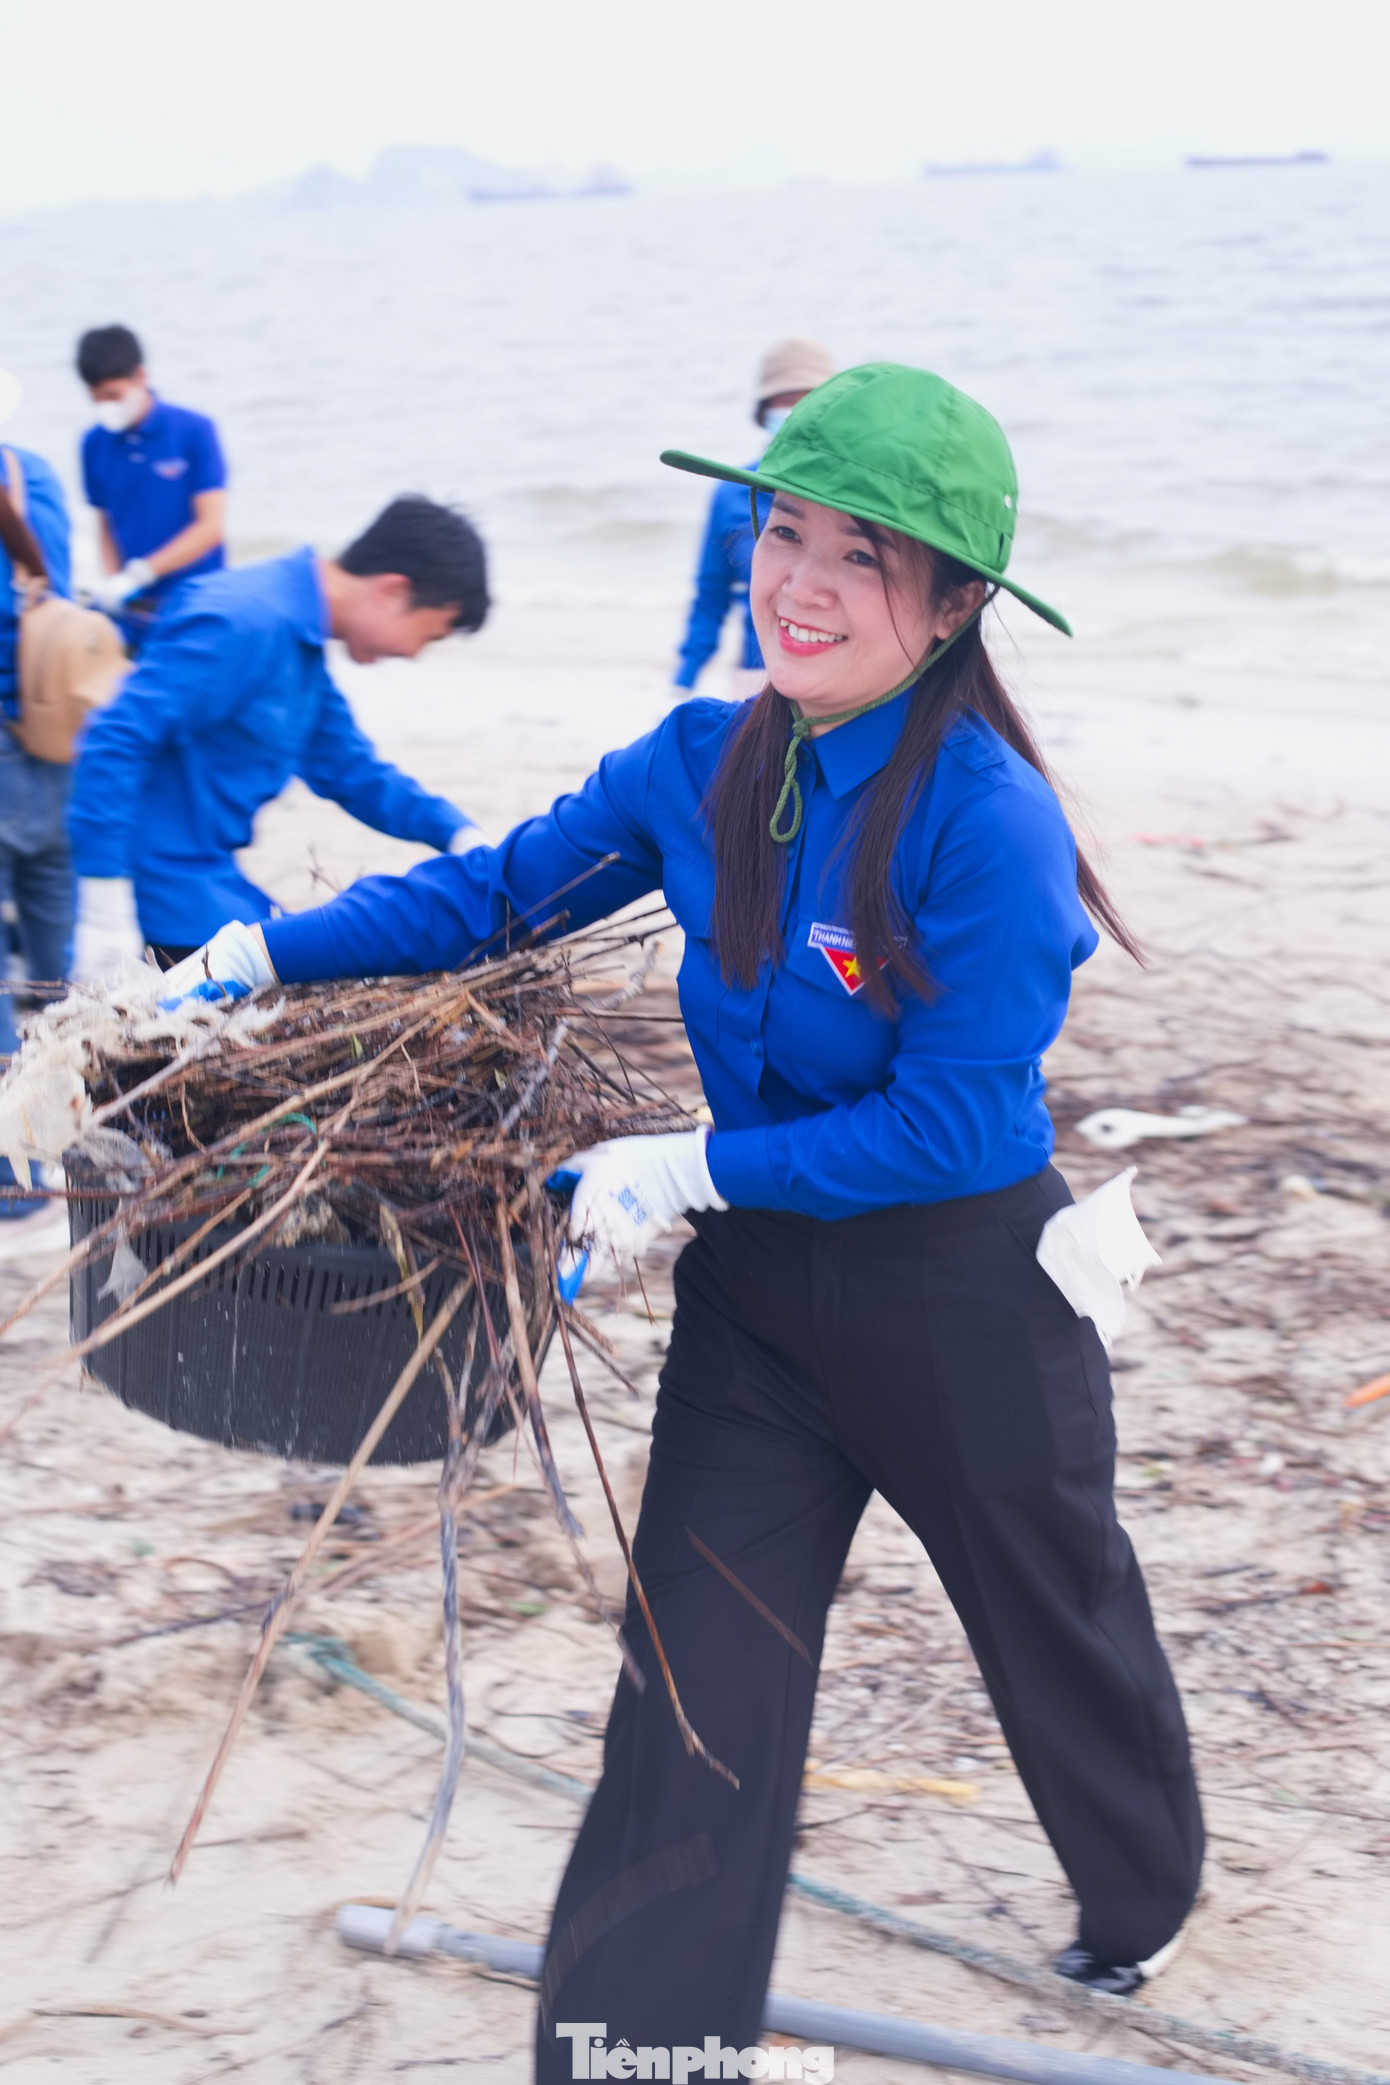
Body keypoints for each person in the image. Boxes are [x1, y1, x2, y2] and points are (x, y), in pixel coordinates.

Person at [161, 365, 1205, 2073]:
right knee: (694, 1694)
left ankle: (1140, 1900)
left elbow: (954, 1120)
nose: (795, 580)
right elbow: (494, 893)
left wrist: (691, 1166)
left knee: (1058, 1621)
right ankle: (637, 2050)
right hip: (761, 1325)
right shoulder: (700, 759)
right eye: (780, 530)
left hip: (965, 1301)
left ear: (953, 609)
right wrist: (260, 954)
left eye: (861, 558)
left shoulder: (988, 822)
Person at [68, 495, 491, 978]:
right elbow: (116, 739)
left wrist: (458, 833)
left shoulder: (301, 642)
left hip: (205, 877)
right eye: (428, 636)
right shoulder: (243, 620)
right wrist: (103, 901)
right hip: (150, 889)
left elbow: (352, 771)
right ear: (393, 591)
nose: (416, 655)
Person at [672, 337, 833, 699]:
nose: (794, 412)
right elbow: (710, 595)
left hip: (839, 668)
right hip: (756, 675)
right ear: (763, 412)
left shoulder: (854, 497)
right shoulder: (732, 494)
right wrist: (683, 681)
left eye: (807, 402)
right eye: (784, 402)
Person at [0, 370, 76, 1059]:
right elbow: (63, 597)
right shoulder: (36, 477)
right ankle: (70, 1092)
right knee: (56, 952)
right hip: (55, 738)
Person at [76, 324, 228, 645]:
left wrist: (142, 572)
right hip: (133, 613)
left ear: (140, 377)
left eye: (114, 395)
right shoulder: (93, 444)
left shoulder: (194, 431)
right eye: (97, 399)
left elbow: (211, 526)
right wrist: (113, 582)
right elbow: (105, 524)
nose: (107, 406)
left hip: (198, 604)